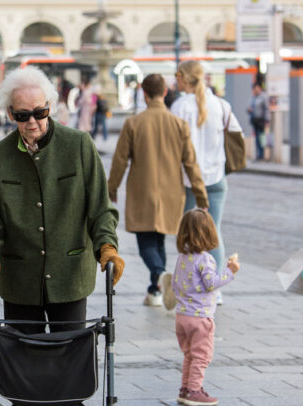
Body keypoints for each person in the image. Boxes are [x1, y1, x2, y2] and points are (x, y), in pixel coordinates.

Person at [0, 65, 124, 406]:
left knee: (67, 351)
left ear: (51, 109)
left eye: (38, 113)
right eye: (21, 115)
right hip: (20, 276)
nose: (31, 123)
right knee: (24, 362)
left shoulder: (78, 146)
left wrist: (107, 248)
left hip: (69, 271)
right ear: (10, 114)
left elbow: (101, 207)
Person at [108, 73, 208, 306]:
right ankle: (155, 290)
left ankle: (158, 275)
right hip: (171, 192)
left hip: (143, 191)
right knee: (160, 239)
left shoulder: (133, 123)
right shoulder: (179, 124)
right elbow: (191, 163)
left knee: (146, 242)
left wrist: (111, 188)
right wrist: (201, 194)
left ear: (144, 94)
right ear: (165, 92)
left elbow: (120, 161)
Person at [171, 60, 242, 305]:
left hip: (190, 180)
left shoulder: (179, 106)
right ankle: (216, 286)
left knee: (190, 234)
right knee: (215, 231)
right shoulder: (221, 105)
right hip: (216, 177)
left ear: (183, 77)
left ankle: (191, 283)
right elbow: (237, 135)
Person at [171, 209, 240, 406]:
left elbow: (175, 284)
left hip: (182, 316)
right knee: (202, 356)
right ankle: (194, 391)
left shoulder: (182, 257)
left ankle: (185, 389)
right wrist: (230, 271)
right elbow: (212, 283)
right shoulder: (205, 259)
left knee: (189, 355)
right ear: (209, 233)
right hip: (200, 317)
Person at [247, 82, 269, 161]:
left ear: (259, 88)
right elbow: (249, 107)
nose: (255, 90)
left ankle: (261, 155)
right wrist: (249, 110)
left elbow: (266, 109)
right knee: (256, 138)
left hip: (261, 121)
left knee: (261, 138)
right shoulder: (253, 98)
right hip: (254, 120)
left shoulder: (263, 97)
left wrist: (267, 120)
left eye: (256, 88)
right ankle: (258, 155)